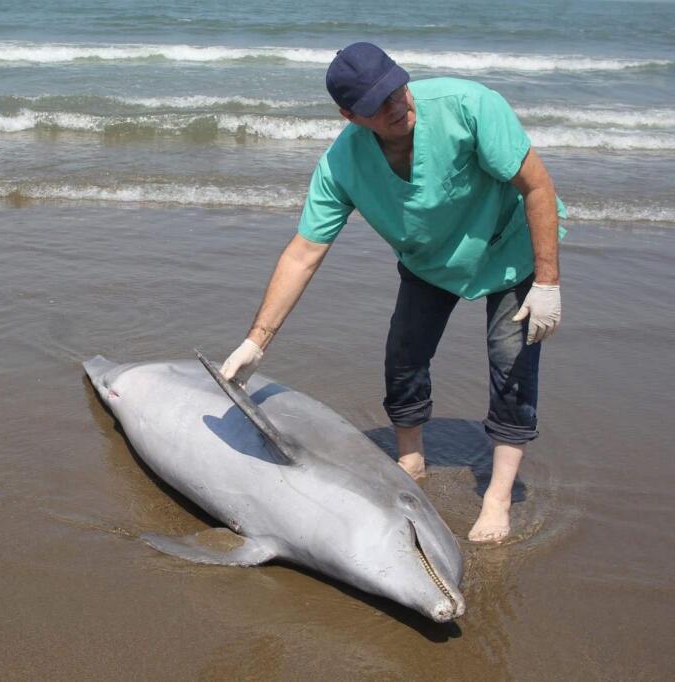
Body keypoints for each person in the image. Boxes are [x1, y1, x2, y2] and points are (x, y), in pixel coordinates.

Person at [220, 43, 564, 544]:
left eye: (396, 87)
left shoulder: (469, 106)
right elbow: (302, 254)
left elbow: (538, 187)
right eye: (377, 103)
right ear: (349, 115)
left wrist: (549, 280)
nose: (397, 104)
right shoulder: (342, 165)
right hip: (430, 261)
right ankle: (410, 458)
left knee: (510, 361)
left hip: (511, 248)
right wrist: (257, 341)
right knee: (403, 356)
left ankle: (497, 497)